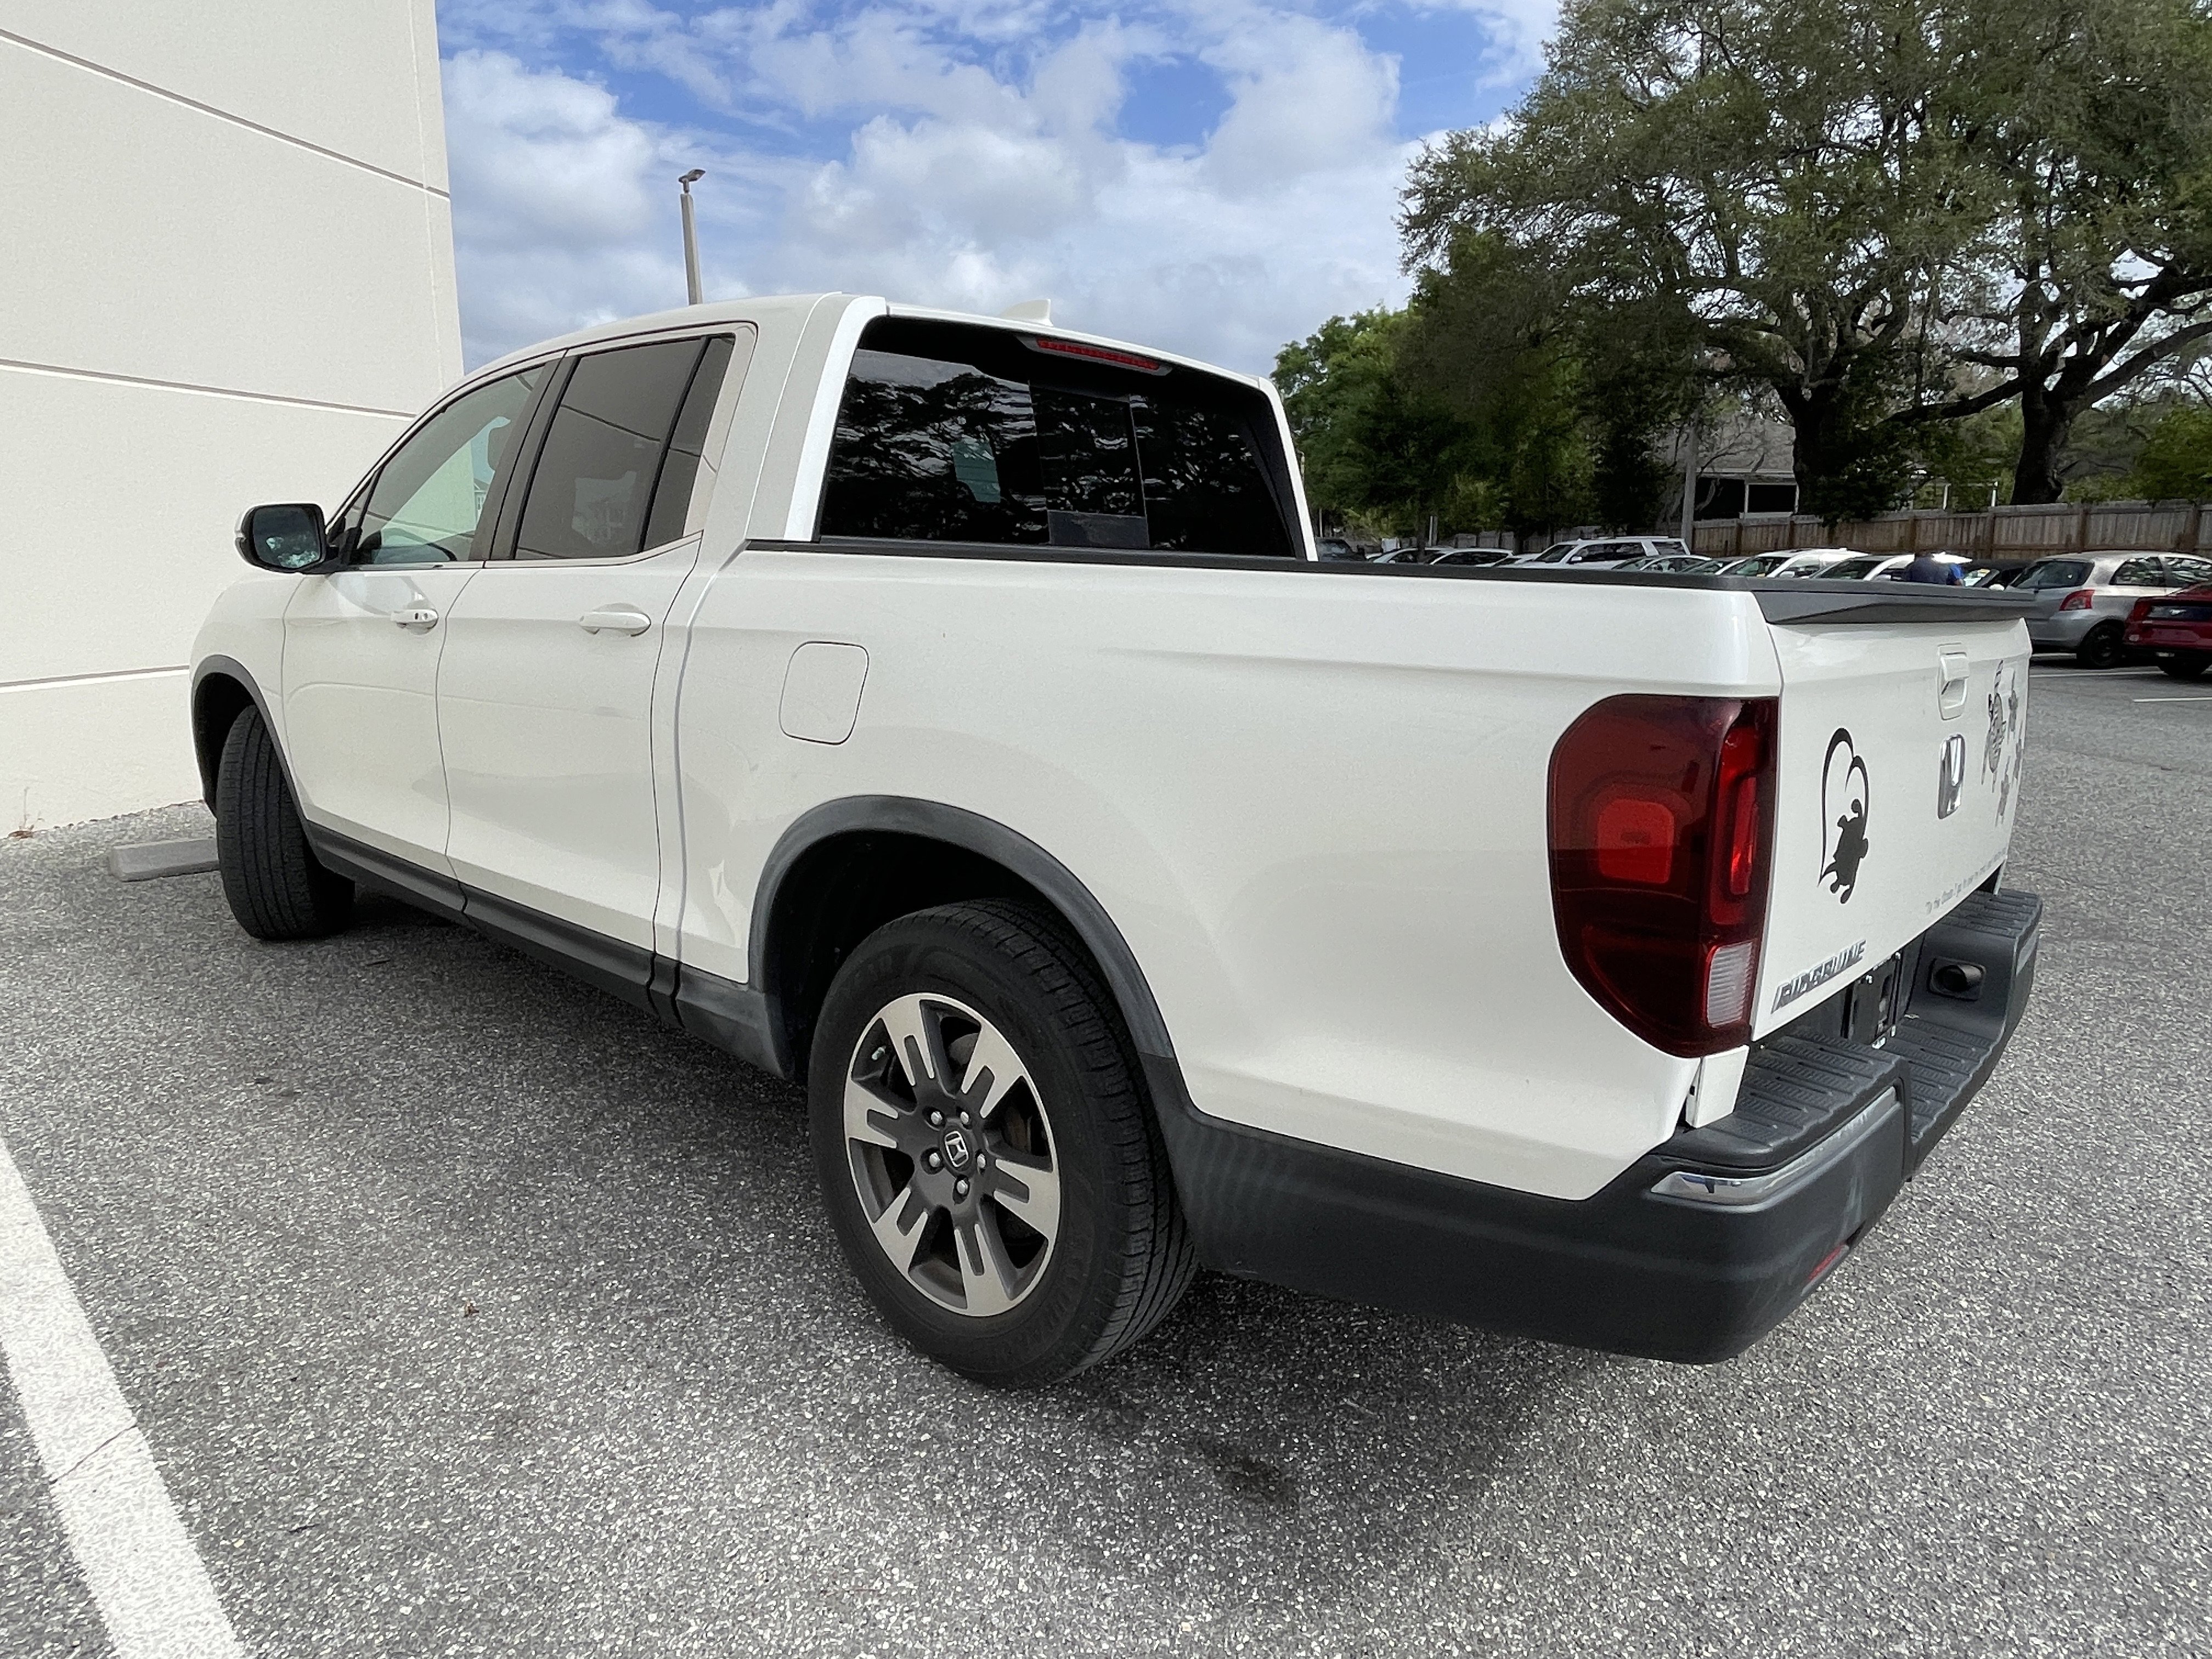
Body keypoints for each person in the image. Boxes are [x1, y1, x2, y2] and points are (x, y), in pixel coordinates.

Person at [1898, 550, 1963, 584]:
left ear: (1916, 558)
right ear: (1932, 557)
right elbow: (1958, 583)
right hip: (1940, 596)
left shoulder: (1912, 566)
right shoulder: (1945, 567)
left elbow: (1904, 582)